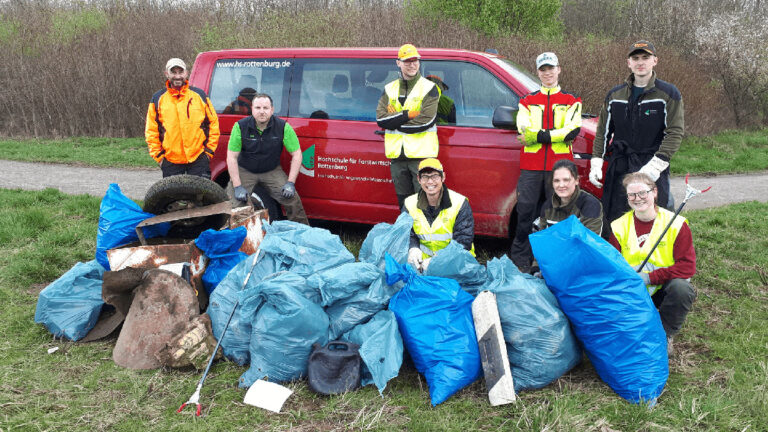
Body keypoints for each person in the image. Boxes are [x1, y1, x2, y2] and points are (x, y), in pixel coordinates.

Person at [590, 40, 684, 237]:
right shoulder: (614, 95)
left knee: (653, 213)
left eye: (645, 57)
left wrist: (656, 166)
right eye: (636, 58)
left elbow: (674, 132)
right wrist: (596, 162)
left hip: (652, 164)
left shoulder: (668, 94)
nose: (640, 62)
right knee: (616, 216)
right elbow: (603, 132)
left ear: (655, 61)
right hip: (620, 164)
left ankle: (652, 260)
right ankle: (618, 258)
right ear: (628, 63)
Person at [509, 52, 582, 272]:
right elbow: (523, 129)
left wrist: (540, 136)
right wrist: (553, 134)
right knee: (525, 213)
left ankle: (555, 261)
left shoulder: (572, 100)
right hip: (531, 167)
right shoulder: (526, 101)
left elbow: (572, 131)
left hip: (559, 169)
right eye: (543, 69)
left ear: (559, 69)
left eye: (551, 68)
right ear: (538, 72)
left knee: (558, 214)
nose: (547, 73)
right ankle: (521, 262)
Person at [609, 172, 696, 355]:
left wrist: (650, 277)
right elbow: (611, 266)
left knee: (682, 289)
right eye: (631, 195)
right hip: (632, 289)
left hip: (663, 288)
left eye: (643, 193)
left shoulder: (676, 224)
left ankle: (665, 334)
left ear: (655, 192)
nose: (637, 199)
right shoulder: (618, 226)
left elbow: (687, 267)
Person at [226, 93, 309, 225]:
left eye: (265, 108)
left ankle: (305, 235)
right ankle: (237, 240)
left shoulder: (283, 127)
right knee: (234, 205)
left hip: (271, 170)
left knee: (292, 199)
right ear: (252, 109)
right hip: (245, 170)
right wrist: (237, 186)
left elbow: (297, 154)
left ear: (272, 110)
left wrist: (290, 183)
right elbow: (231, 156)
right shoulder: (240, 126)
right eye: (258, 108)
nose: (262, 112)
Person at [376, 44, 440, 209]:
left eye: (415, 60)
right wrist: (407, 115)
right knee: (404, 205)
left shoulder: (430, 88)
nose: (412, 65)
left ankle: (425, 235)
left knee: (424, 204)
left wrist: (395, 120)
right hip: (397, 158)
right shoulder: (389, 89)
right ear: (398, 63)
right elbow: (381, 120)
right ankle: (408, 234)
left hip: (421, 158)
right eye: (407, 61)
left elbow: (425, 121)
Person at [145, 58, 220, 178]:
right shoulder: (157, 99)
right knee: (173, 196)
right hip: (171, 161)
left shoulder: (199, 96)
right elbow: (151, 131)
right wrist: (159, 157)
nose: (177, 76)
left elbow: (214, 124)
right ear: (166, 74)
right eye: (173, 72)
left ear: (186, 73)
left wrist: (208, 153)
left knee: (200, 195)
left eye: (180, 72)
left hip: (198, 159)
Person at [404, 158, 475, 273]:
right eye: (425, 177)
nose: (430, 182)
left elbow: (463, 241)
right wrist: (413, 248)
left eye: (435, 176)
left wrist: (438, 260)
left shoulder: (459, 203)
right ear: (419, 179)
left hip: (456, 264)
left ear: (443, 177)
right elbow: (406, 233)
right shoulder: (409, 203)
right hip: (422, 264)